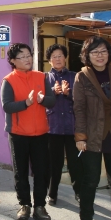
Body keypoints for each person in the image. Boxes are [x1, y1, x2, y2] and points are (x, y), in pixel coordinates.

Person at [71, 36, 111, 220]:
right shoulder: (82, 76)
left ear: (109, 53)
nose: (100, 55)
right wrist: (80, 136)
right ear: (87, 55)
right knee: (90, 181)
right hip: (92, 135)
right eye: (95, 52)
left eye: (103, 51)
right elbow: (79, 108)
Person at [1, 43, 56, 220]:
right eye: (22, 56)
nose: (27, 59)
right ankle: (24, 204)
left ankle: (40, 206)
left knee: (42, 171)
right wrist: (26, 103)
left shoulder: (42, 76)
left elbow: (51, 101)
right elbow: (7, 106)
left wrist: (42, 99)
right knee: (21, 171)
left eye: (28, 55)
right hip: (18, 133)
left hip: (41, 132)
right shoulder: (8, 80)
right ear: (13, 61)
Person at [44, 44, 78, 206]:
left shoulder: (75, 76)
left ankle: (79, 192)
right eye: (54, 57)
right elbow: (40, 101)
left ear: (65, 58)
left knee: (75, 163)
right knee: (53, 163)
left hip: (72, 127)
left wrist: (68, 93)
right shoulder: (44, 78)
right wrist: (53, 92)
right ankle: (52, 193)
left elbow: (81, 101)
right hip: (53, 127)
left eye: (60, 56)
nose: (57, 59)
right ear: (49, 60)